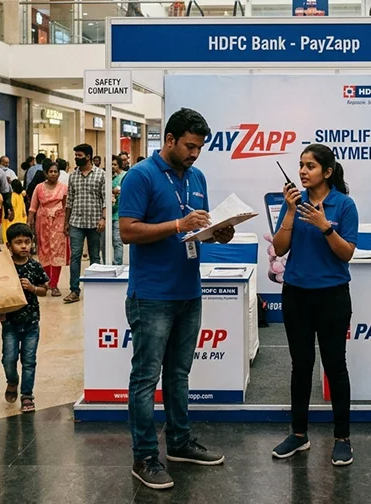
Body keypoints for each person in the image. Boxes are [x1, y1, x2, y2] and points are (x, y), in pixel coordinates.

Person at [119, 108, 231, 489]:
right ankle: (145, 456)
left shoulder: (197, 177)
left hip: (189, 291)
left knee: (179, 375)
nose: (195, 154)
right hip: (151, 295)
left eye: (199, 147)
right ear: (169, 140)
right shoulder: (141, 176)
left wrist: (218, 232)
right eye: (189, 146)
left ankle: (180, 442)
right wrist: (178, 225)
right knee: (146, 379)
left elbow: (197, 229)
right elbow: (128, 231)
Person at [270, 144, 359, 465]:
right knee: (300, 365)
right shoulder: (293, 203)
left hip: (332, 295)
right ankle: (298, 434)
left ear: (328, 172)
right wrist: (291, 212)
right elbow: (279, 248)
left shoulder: (344, 205)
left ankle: (342, 437)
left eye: (310, 166)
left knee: (335, 366)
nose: (303, 171)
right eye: (301, 165)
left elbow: (346, 252)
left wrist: (324, 227)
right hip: (296, 294)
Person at [2, 223, 49, 414]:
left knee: (29, 361)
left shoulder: (35, 266)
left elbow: (45, 289)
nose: (23, 246)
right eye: (18, 242)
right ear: (8, 245)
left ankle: (27, 395)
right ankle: (12, 381)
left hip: (31, 323)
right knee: (9, 359)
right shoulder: (4, 266)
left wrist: (33, 289)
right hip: (9, 322)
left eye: (27, 242)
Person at [63, 144, 105, 304]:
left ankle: (96, 289)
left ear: (88, 156)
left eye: (79, 155)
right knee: (75, 256)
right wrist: (66, 222)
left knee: (95, 256)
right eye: (76, 155)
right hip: (76, 222)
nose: (76, 158)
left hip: (95, 222)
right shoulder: (73, 176)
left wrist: (103, 218)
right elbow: (70, 201)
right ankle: (74, 290)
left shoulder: (101, 175)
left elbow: (105, 199)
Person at [29, 161, 68, 298]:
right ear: (45, 173)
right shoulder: (39, 188)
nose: (53, 174)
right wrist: (29, 224)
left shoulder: (64, 188)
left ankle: (54, 284)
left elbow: (66, 206)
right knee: (44, 251)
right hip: (42, 222)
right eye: (50, 171)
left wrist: (67, 224)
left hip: (59, 222)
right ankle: (45, 282)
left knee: (57, 252)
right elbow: (33, 207)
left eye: (55, 171)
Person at [1, 179, 28, 244]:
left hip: (12, 221)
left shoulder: (11, 196)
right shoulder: (21, 196)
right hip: (21, 220)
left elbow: (10, 207)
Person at [110, 155, 125, 265]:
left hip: (119, 213)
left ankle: (117, 264)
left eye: (115, 164)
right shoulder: (108, 177)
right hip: (107, 213)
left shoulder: (125, 176)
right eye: (111, 164)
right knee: (104, 243)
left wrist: (118, 190)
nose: (112, 166)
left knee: (117, 240)